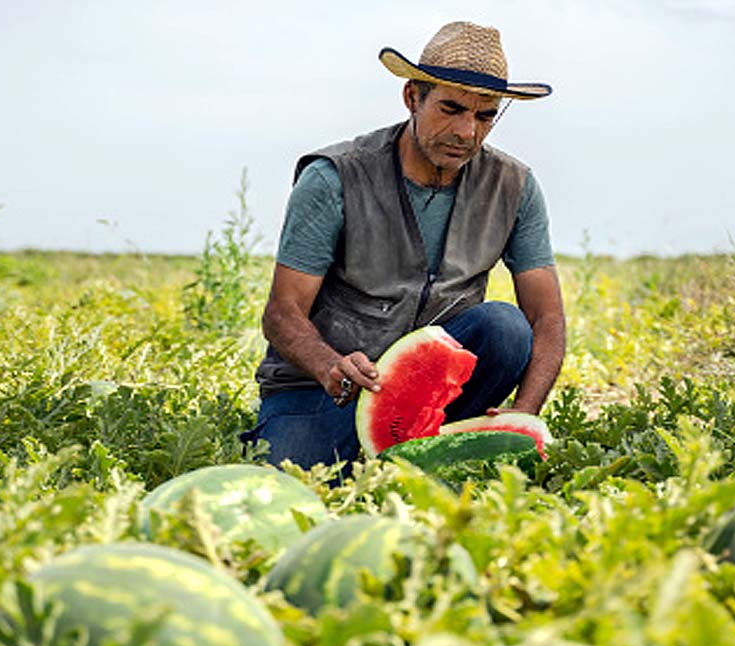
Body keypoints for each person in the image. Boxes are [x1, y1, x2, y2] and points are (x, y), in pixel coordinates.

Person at [242, 21, 566, 469]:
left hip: (436, 389)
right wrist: (329, 366)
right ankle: (399, 454)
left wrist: (525, 413)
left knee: (505, 327)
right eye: (451, 109)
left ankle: (428, 443)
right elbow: (282, 314)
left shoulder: (514, 186)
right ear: (413, 96)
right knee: (297, 477)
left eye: (485, 115)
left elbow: (546, 317)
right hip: (325, 386)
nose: (466, 132)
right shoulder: (335, 176)